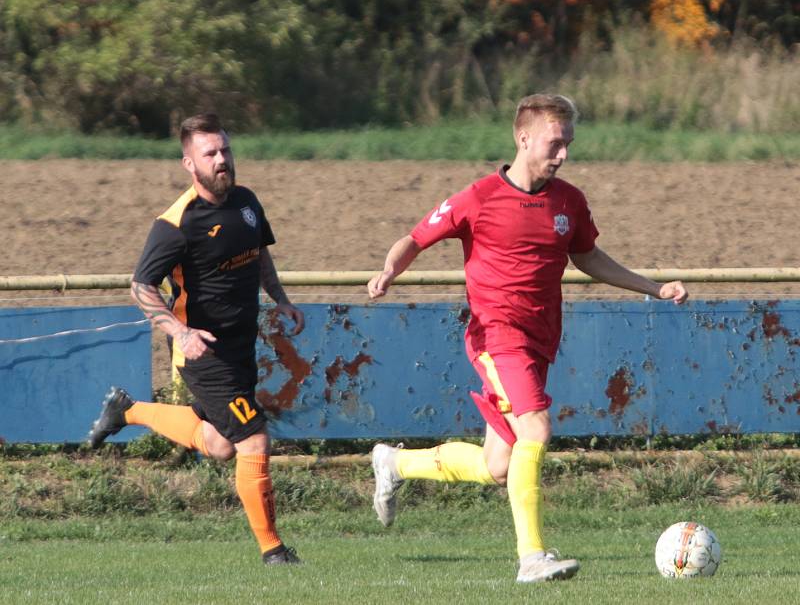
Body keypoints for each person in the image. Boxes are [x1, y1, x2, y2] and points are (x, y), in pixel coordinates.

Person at [367, 94, 688, 583]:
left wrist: (654, 287)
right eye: (555, 144)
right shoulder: (478, 198)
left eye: (568, 145)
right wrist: (390, 270)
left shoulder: (569, 201)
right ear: (523, 137)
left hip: (540, 341)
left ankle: (394, 463)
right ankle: (531, 557)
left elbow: (589, 257)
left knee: (500, 465)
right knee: (535, 430)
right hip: (497, 337)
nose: (563, 155)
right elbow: (414, 239)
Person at [88, 113, 305, 566]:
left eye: (225, 150)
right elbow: (141, 286)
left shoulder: (246, 202)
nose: (222, 159)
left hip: (240, 345)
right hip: (203, 351)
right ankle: (274, 551)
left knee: (222, 445)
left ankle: (128, 410)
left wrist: (280, 300)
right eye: (211, 153)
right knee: (253, 440)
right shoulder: (176, 222)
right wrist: (180, 332)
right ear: (189, 163)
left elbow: (259, 253)